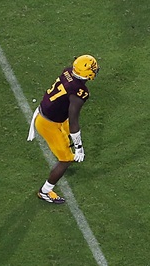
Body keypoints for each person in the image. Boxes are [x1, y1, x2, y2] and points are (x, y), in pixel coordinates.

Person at [26, 55, 99, 205]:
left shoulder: (68, 72)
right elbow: (74, 121)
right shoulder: (79, 93)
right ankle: (45, 191)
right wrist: (79, 147)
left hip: (50, 114)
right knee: (66, 160)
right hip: (48, 124)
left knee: (67, 140)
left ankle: (68, 150)